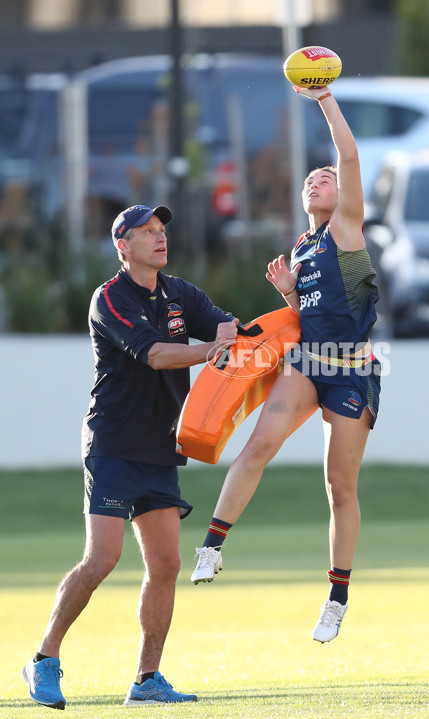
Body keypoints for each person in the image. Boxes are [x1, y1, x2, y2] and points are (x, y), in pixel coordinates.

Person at [22, 204, 239, 709]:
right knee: (102, 559)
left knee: (165, 563)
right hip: (114, 444)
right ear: (123, 245)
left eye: (162, 229)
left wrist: (280, 317)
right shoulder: (109, 298)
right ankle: (44, 660)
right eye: (148, 231)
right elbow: (157, 352)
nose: (160, 237)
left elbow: (234, 330)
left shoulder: (183, 293)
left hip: (161, 445)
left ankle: (147, 681)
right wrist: (212, 349)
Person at [190, 84, 381, 643]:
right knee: (256, 449)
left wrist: (323, 99)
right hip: (305, 364)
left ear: (341, 193)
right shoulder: (300, 248)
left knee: (338, 488)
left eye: (323, 178)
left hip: (352, 369)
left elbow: (348, 156)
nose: (314, 182)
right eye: (308, 182)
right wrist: (289, 296)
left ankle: (337, 597)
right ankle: (213, 545)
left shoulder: (347, 229)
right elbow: (316, 314)